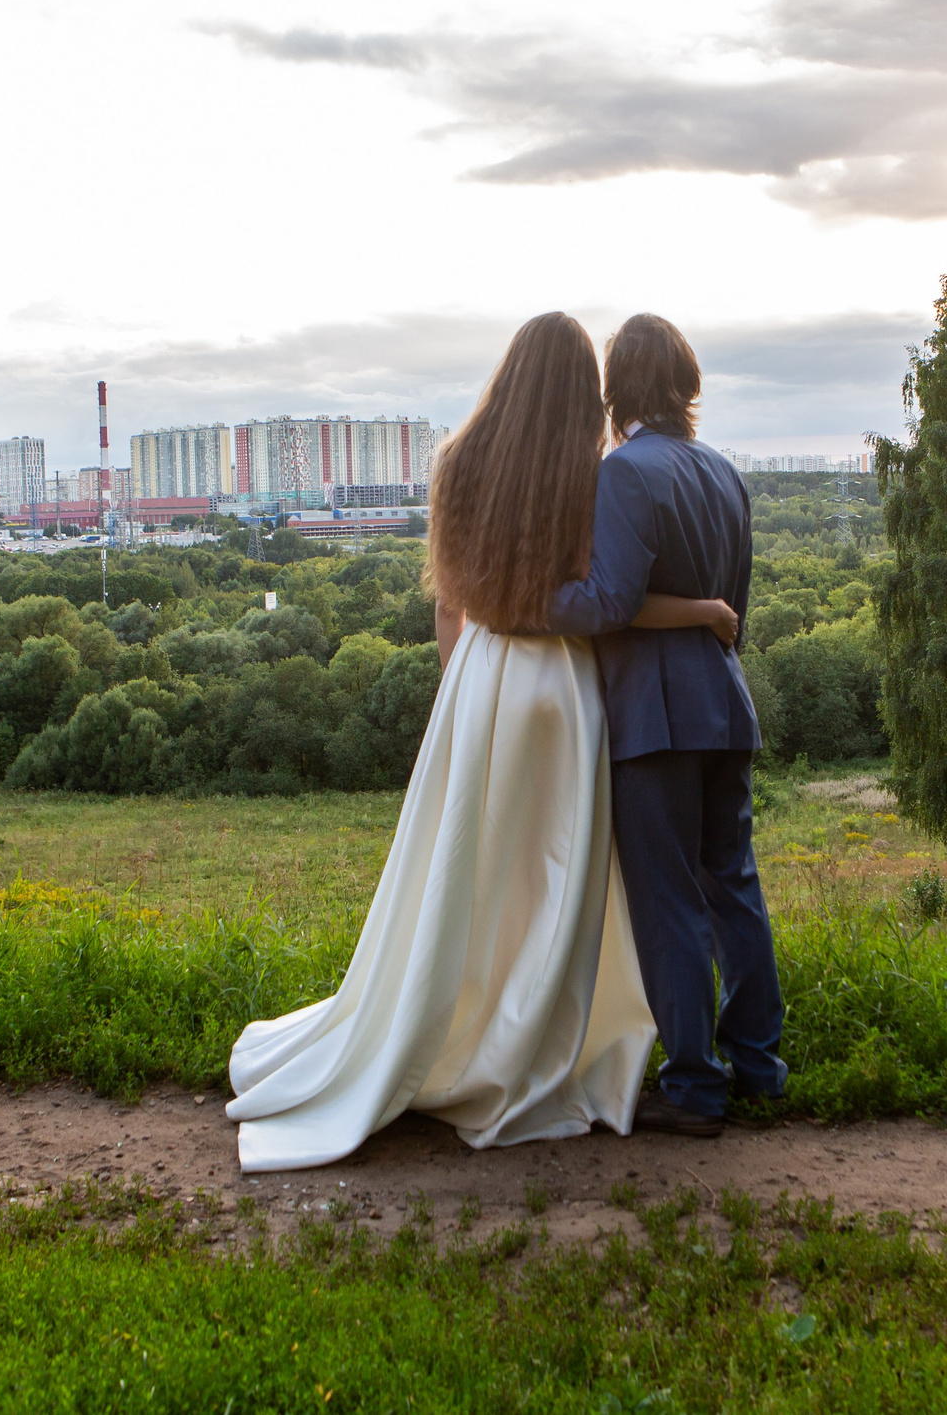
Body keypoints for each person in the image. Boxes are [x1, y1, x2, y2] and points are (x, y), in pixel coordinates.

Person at [225, 313, 739, 1173]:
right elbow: (609, 602)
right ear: (582, 391)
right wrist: (700, 612)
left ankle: (457, 1022)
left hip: (484, 672)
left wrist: (457, 696)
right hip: (561, 685)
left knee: (472, 867)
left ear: (509, 374)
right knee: (551, 878)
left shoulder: (457, 462)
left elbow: (448, 602)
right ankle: (533, 1040)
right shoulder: (592, 474)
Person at [543, 314, 783, 1139]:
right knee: (734, 884)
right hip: (725, 704)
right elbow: (732, 609)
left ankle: (694, 1087)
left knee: (669, 899)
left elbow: (607, 601)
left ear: (618, 389)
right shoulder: (725, 474)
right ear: (686, 385)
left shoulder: (622, 474)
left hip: (654, 718)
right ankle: (759, 1066)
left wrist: (527, 597)